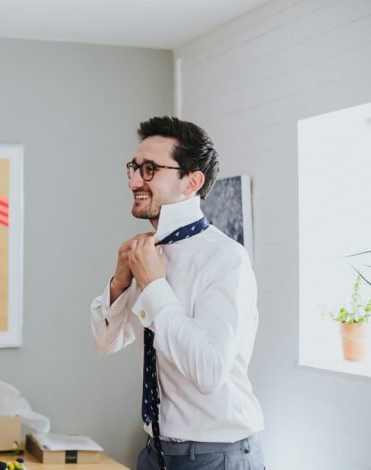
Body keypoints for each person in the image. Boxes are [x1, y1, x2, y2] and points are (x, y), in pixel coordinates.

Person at [89, 116, 264, 469]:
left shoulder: (225, 259)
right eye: (134, 168)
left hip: (217, 454)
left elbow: (209, 372)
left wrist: (155, 286)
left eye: (150, 169)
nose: (135, 180)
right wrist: (119, 285)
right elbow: (106, 342)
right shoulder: (148, 251)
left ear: (192, 182)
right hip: (155, 451)